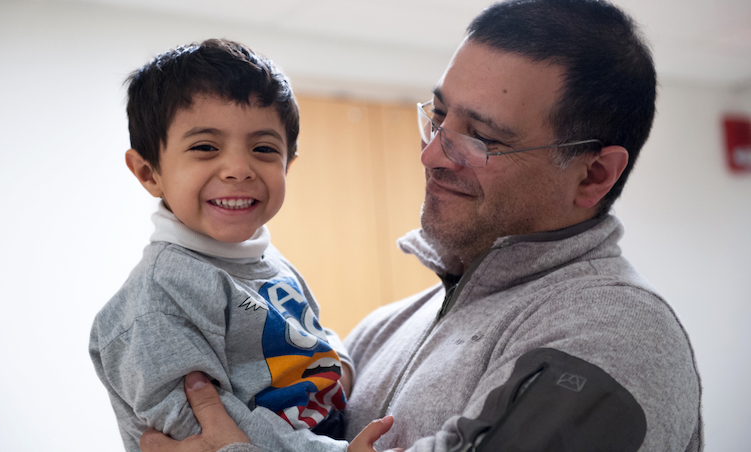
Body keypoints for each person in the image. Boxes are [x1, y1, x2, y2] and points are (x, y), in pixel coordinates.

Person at [140, 0, 703, 451]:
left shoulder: (611, 334)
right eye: (437, 116)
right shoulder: (380, 331)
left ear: (593, 174)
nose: (432, 154)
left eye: (480, 139)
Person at [89, 38, 358, 452]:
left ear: (287, 164)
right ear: (148, 172)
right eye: (205, 147)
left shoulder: (269, 263)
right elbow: (211, 433)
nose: (238, 169)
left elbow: (314, 340)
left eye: (264, 149)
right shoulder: (159, 298)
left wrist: (343, 367)